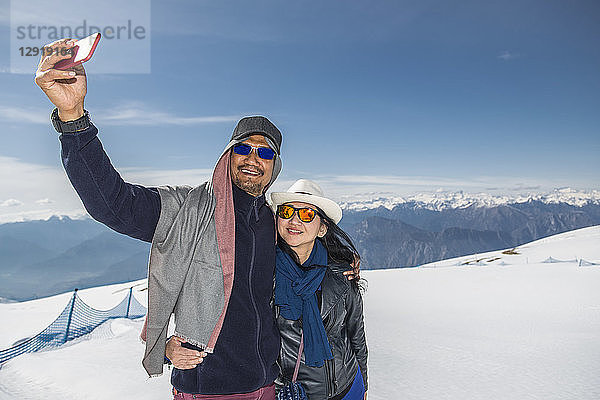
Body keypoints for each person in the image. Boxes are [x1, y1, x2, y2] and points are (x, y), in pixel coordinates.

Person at [34, 38, 358, 400]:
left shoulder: (271, 221)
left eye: (265, 152)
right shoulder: (186, 208)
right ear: (227, 155)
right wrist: (73, 119)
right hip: (208, 387)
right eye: (243, 148)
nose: (253, 157)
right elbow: (113, 204)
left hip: (267, 384)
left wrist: (340, 264)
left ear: (274, 166)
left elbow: (307, 244)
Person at [271, 179, 368, 400]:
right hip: (299, 394)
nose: (294, 220)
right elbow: (257, 343)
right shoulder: (263, 276)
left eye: (306, 215)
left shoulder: (342, 275)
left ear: (322, 228)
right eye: (287, 211)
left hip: (348, 386)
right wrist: (279, 388)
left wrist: (363, 383)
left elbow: (356, 335)